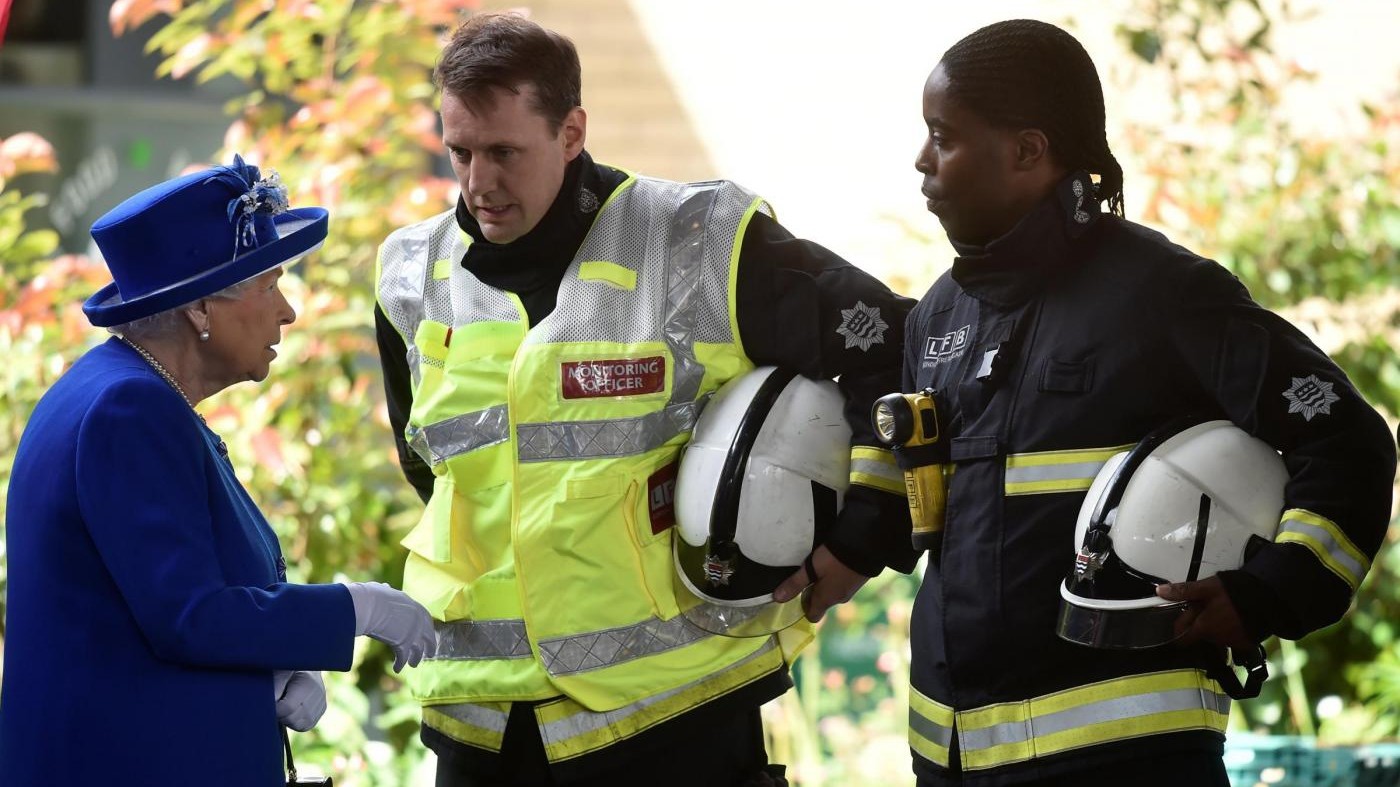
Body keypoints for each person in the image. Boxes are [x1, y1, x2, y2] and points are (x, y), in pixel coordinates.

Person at [373, 12, 918, 786]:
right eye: (458, 150)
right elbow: (427, 465)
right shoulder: (408, 273)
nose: (477, 183)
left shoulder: (698, 241)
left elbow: (893, 349)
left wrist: (865, 536)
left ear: (571, 132)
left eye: (503, 152)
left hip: (675, 713)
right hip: (482, 724)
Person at [881, 18, 1398, 787]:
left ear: (1028, 150)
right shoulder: (937, 318)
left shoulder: (1161, 294)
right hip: (954, 762)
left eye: (944, 136)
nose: (921, 159)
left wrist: (1270, 591)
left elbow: (1348, 440)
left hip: (1127, 760)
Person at [0, 156, 438, 786]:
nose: (287, 312)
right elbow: (189, 617)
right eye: (270, 286)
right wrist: (356, 609)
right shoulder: (131, 407)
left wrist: (275, 661)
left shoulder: (125, 390)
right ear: (202, 309)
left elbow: (145, 607)